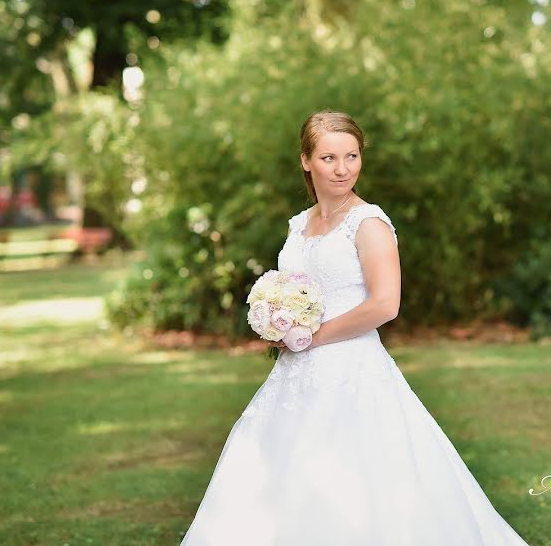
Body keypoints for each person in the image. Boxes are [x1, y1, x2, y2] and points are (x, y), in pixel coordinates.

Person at [180, 110, 530, 545]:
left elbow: (386, 304)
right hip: (293, 375)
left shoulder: (369, 224)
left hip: (352, 369)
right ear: (306, 160)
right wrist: (277, 320)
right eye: (329, 157)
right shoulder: (299, 224)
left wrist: (311, 337)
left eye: (352, 155)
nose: (343, 168)